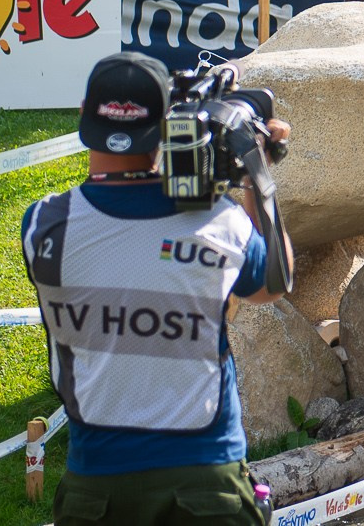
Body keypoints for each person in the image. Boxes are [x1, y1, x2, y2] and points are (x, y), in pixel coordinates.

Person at [24, 52, 294, 526]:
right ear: (166, 123)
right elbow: (274, 283)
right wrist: (256, 173)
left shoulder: (43, 225)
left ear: (85, 112)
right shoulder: (220, 222)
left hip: (96, 484)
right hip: (207, 480)